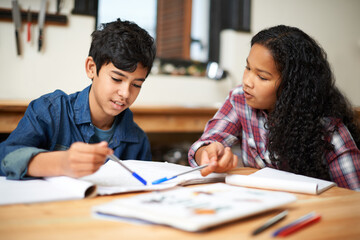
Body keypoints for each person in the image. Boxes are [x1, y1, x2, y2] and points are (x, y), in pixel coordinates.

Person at [188, 25, 360, 190]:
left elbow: (354, 198)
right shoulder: (240, 99)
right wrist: (207, 153)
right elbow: (208, 141)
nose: (247, 81)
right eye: (248, 68)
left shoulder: (329, 129)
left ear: (292, 86)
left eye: (262, 77)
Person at [0, 19, 156, 179]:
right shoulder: (50, 111)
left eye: (136, 85)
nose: (125, 93)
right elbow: (5, 157)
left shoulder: (138, 140)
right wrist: (61, 163)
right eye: (117, 79)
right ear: (91, 68)